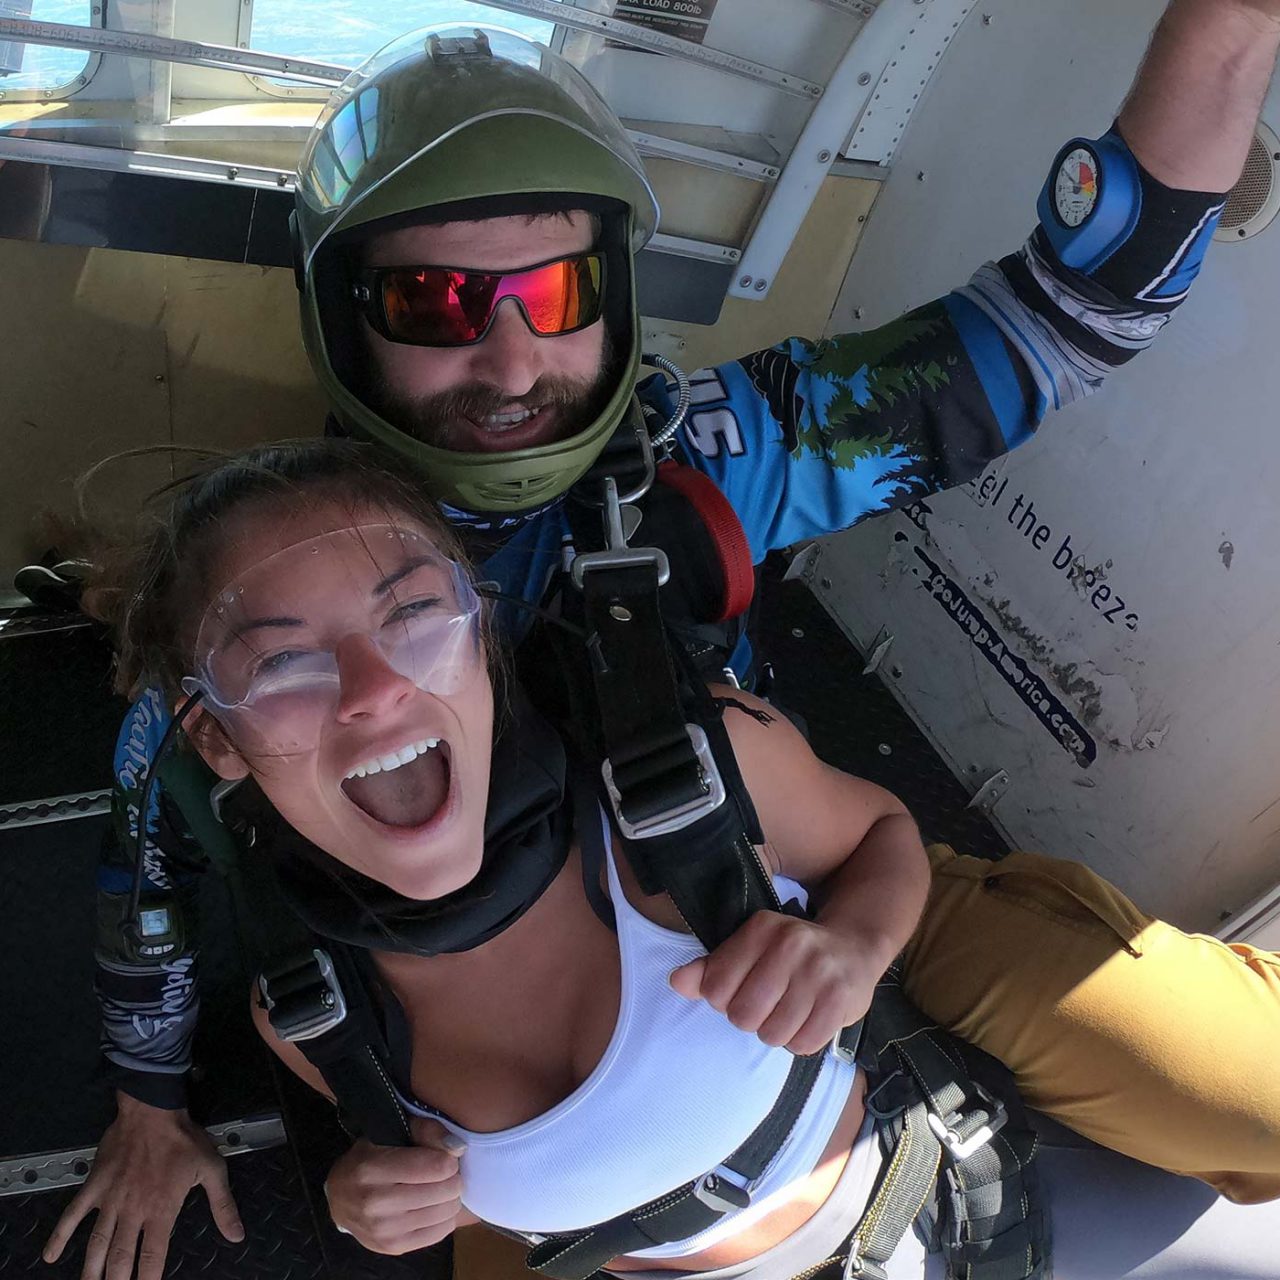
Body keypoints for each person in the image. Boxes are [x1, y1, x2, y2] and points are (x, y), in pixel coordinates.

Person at [45, 2, 1280, 1275]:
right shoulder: (269, 607)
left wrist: (1229, 20)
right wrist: (149, 1107)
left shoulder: (703, 460)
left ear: (615, 293)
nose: (512, 358)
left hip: (789, 866)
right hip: (483, 1021)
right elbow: (144, 869)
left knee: (1253, 1088)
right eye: (432, 301)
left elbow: (1071, 310)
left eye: (558, 290)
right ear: (343, 315)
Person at [92, 437, 1280, 1279]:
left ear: (480, 634)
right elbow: (408, 1161)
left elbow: (879, 833)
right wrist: (365, 1197)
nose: (372, 689)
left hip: (1006, 1178)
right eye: (280, 663)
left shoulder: (685, 778)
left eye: (413, 613)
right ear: (218, 738)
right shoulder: (307, 1009)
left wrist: (856, 944)